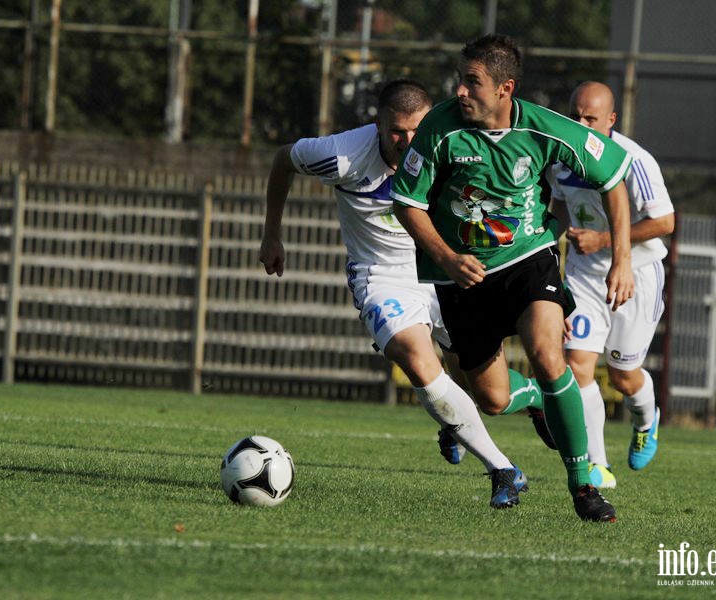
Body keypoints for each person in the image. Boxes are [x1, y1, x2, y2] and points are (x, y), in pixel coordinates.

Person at [391, 35, 634, 522]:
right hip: (460, 276)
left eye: (472, 82)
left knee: (549, 356)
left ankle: (583, 484)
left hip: (528, 259)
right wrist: (448, 256)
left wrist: (621, 259)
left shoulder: (545, 128)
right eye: (460, 79)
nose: (460, 90)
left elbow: (612, 177)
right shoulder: (439, 127)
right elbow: (407, 203)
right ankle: (539, 401)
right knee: (494, 399)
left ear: (505, 88)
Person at [258, 79, 530, 509]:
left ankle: (526, 399)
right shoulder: (341, 155)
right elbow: (282, 160)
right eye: (396, 131)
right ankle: (503, 470)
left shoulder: (452, 146)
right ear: (379, 125)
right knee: (419, 362)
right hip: (383, 277)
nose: (406, 141)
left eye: (415, 131)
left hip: (444, 270)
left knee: (491, 396)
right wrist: (272, 235)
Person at [548, 81, 674, 488]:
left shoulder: (635, 160)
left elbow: (665, 223)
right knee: (578, 366)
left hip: (637, 272)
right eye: (575, 116)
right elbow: (561, 206)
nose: (581, 125)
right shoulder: (560, 156)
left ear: (611, 120)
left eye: (591, 119)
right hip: (585, 274)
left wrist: (604, 240)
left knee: (623, 375)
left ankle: (645, 418)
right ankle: (597, 465)